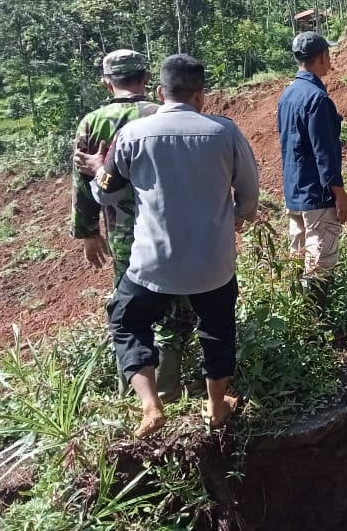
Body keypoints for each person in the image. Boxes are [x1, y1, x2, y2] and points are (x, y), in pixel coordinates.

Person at [91, 54, 259, 438]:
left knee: (127, 319)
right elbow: (249, 195)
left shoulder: (133, 135)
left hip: (153, 266)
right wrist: (237, 215)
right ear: (201, 94)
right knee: (218, 329)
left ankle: (150, 406)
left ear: (158, 92)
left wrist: (98, 169)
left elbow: (105, 194)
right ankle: (217, 406)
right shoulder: (225, 132)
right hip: (213, 264)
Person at [70, 49, 196, 401]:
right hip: (169, 227)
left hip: (123, 232)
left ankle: (135, 391)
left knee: (129, 309)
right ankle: (170, 386)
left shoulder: (92, 123)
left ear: (107, 83)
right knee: (175, 303)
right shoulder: (163, 113)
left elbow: (83, 183)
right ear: (146, 79)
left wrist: (89, 233)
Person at [278, 32, 347, 286]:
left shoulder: (288, 95)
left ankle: (297, 322)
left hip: (294, 192)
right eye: (328, 55)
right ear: (322, 56)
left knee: (296, 262)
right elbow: (324, 152)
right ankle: (318, 323)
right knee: (320, 266)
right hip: (317, 197)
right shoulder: (317, 99)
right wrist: (339, 193)